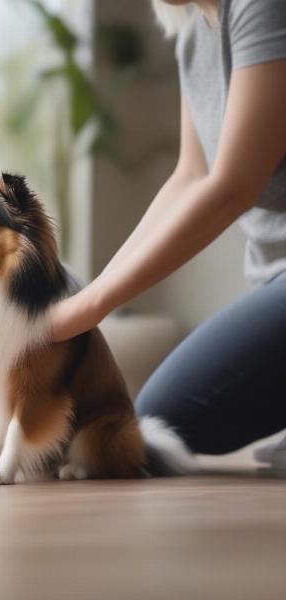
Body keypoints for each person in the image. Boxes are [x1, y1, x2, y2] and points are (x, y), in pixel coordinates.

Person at [47, 0, 286, 464]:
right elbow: (190, 176)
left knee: (154, 428)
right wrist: (89, 297)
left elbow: (231, 187)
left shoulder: (264, 6)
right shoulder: (195, 37)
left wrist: (81, 313)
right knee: (161, 423)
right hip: (272, 278)